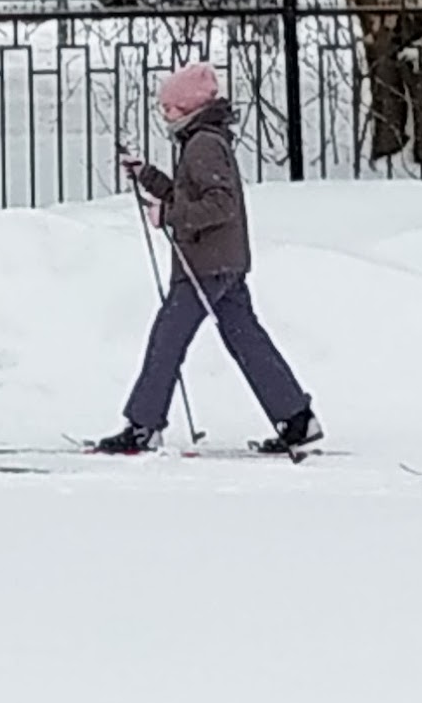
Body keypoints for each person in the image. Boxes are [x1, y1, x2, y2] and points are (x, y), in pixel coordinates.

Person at [95, 62, 321, 455]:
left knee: (167, 338)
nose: (164, 115)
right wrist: (147, 175)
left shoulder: (202, 145)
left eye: (169, 108)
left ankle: (143, 426)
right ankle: (297, 418)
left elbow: (220, 204)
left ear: (188, 107)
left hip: (206, 264)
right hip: (221, 262)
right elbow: (192, 194)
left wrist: (167, 216)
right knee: (246, 339)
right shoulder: (204, 140)